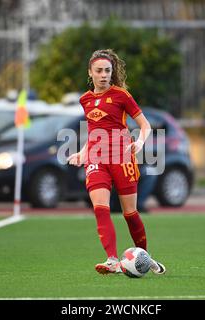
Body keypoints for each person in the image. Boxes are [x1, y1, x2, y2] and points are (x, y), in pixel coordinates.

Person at [67, 49, 166, 275]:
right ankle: (112, 260)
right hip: (96, 159)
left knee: (130, 213)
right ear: (90, 73)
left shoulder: (121, 95)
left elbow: (145, 125)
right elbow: (93, 132)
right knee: (100, 208)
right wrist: (82, 153)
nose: (104, 75)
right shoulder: (85, 100)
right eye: (99, 71)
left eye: (108, 71)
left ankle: (144, 257)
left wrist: (140, 143)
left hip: (122, 157)